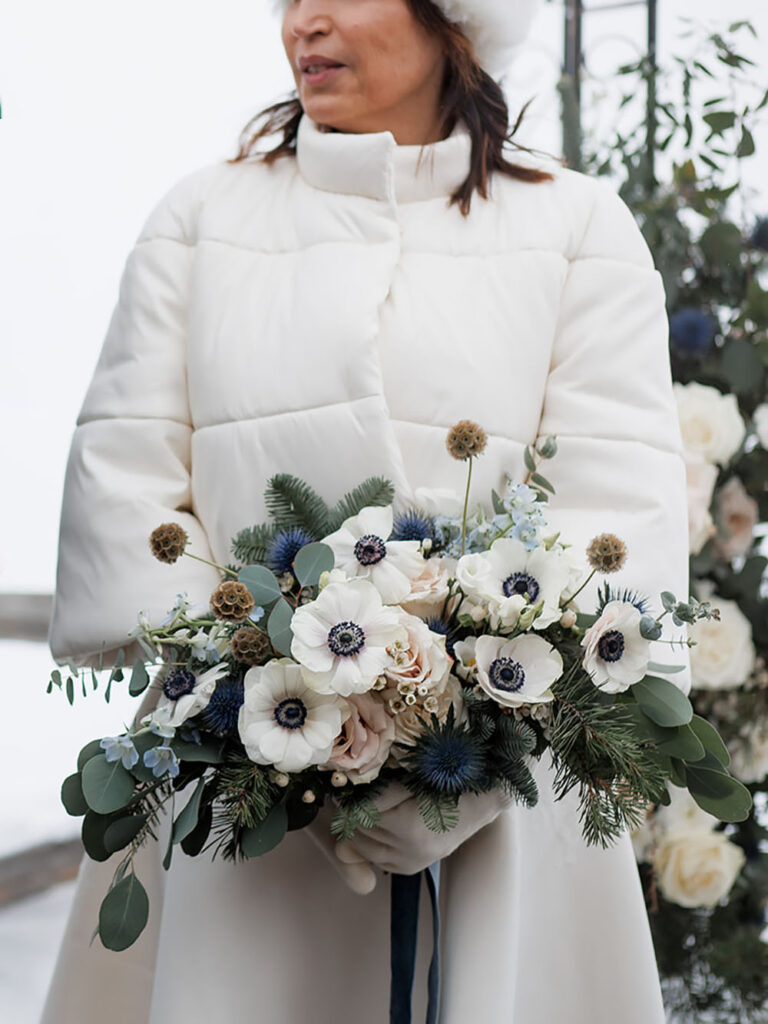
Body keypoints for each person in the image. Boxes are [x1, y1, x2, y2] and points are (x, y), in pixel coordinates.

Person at [41, 0, 691, 1021]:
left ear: (454, 19)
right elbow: (125, 483)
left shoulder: (577, 229)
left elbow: (622, 513)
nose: (306, 19)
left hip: (509, 817)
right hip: (242, 811)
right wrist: (261, 702)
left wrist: (481, 759)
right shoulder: (201, 219)